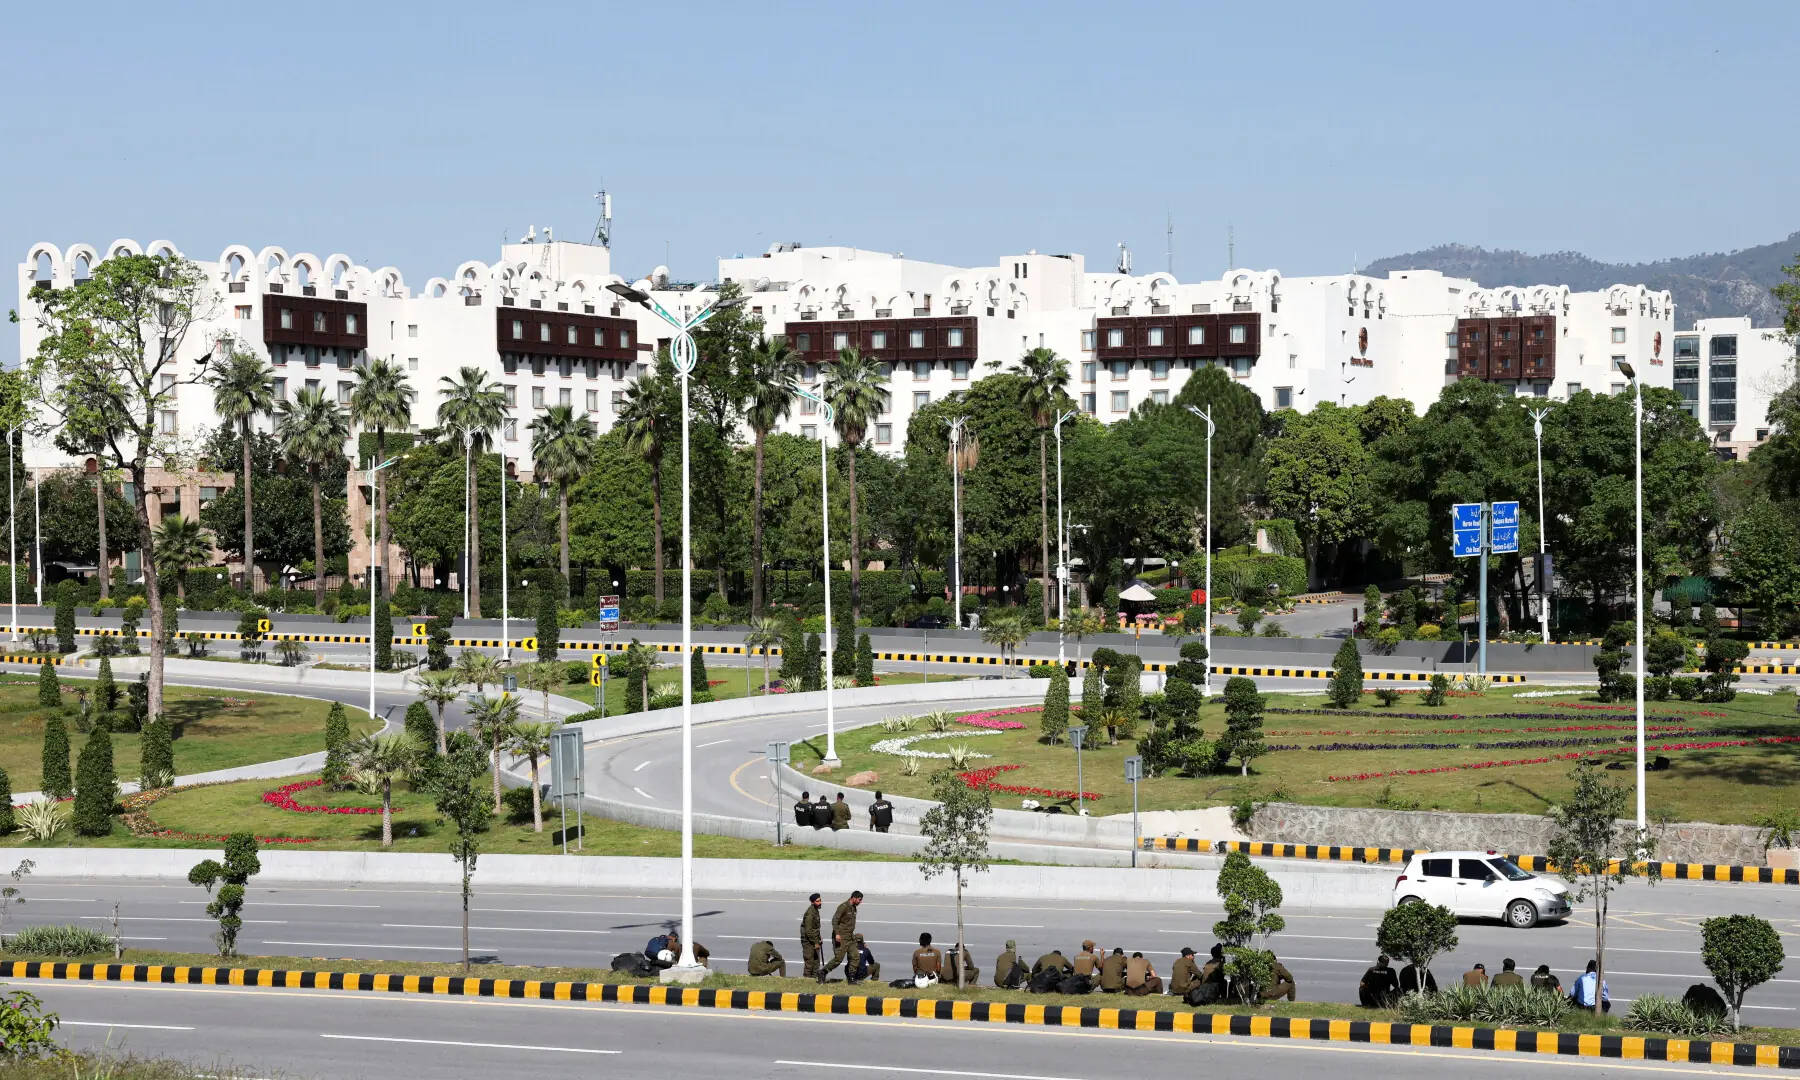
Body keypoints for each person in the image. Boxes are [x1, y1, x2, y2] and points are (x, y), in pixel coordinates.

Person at [819, 890, 864, 982]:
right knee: (838, 959)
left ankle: (851, 978)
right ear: (854, 898)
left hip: (850, 937)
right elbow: (835, 920)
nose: (861, 902)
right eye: (859, 899)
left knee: (855, 956)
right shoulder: (843, 907)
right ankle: (823, 972)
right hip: (841, 937)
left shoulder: (854, 908)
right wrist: (837, 934)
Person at [800, 893, 825, 978]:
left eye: (820, 900)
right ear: (812, 902)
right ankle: (807, 981)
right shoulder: (810, 914)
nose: (820, 902)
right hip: (808, 941)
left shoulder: (815, 911)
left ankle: (814, 979)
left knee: (816, 962)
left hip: (814, 939)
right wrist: (815, 943)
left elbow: (815, 927)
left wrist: (819, 937)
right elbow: (808, 931)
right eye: (817, 901)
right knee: (809, 963)